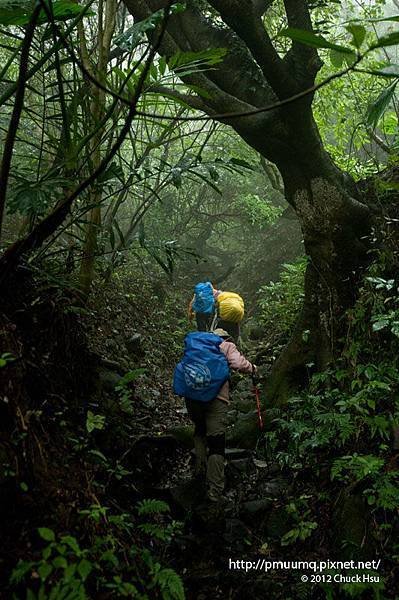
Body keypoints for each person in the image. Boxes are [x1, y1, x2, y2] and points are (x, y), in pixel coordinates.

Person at [175, 328, 256, 504]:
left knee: (199, 430)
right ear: (226, 337)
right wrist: (253, 368)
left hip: (193, 397)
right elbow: (238, 364)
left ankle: (199, 471)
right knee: (217, 442)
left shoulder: (196, 346)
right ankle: (214, 490)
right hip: (217, 399)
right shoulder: (226, 345)